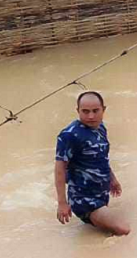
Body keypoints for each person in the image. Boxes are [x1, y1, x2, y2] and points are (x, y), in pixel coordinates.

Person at [55, 91, 129, 236]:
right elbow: (59, 169)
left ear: (103, 110)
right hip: (84, 200)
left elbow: (101, 157)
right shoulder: (69, 135)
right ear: (78, 111)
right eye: (85, 111)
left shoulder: (100, 128)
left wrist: (112, 179)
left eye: (95, 111)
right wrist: (62, 203)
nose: (90, 116)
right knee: (124, 229)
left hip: (101, 194)